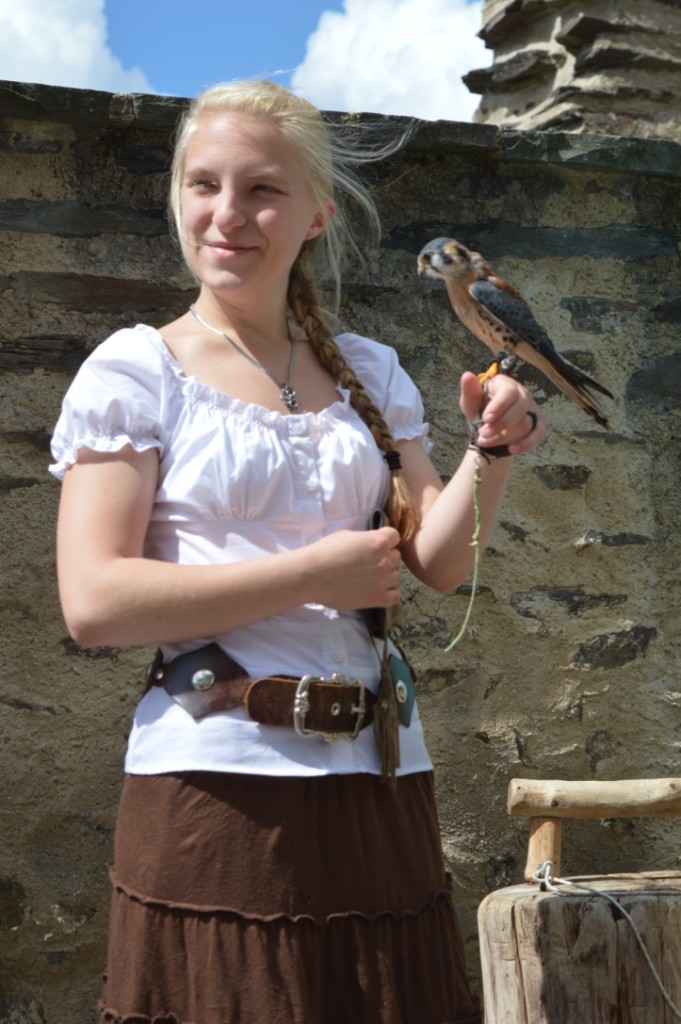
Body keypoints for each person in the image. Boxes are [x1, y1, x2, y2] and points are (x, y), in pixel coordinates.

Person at [50, 79, 544, 1024]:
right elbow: (95, 601)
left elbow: (440, 563)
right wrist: (313, 573)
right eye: (203, 186)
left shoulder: (368, 368)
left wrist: (491, 450)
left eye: (261, 191)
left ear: (316, 214)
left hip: (379, 782)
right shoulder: (134, 371)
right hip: (215, 789)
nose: (226, 214)